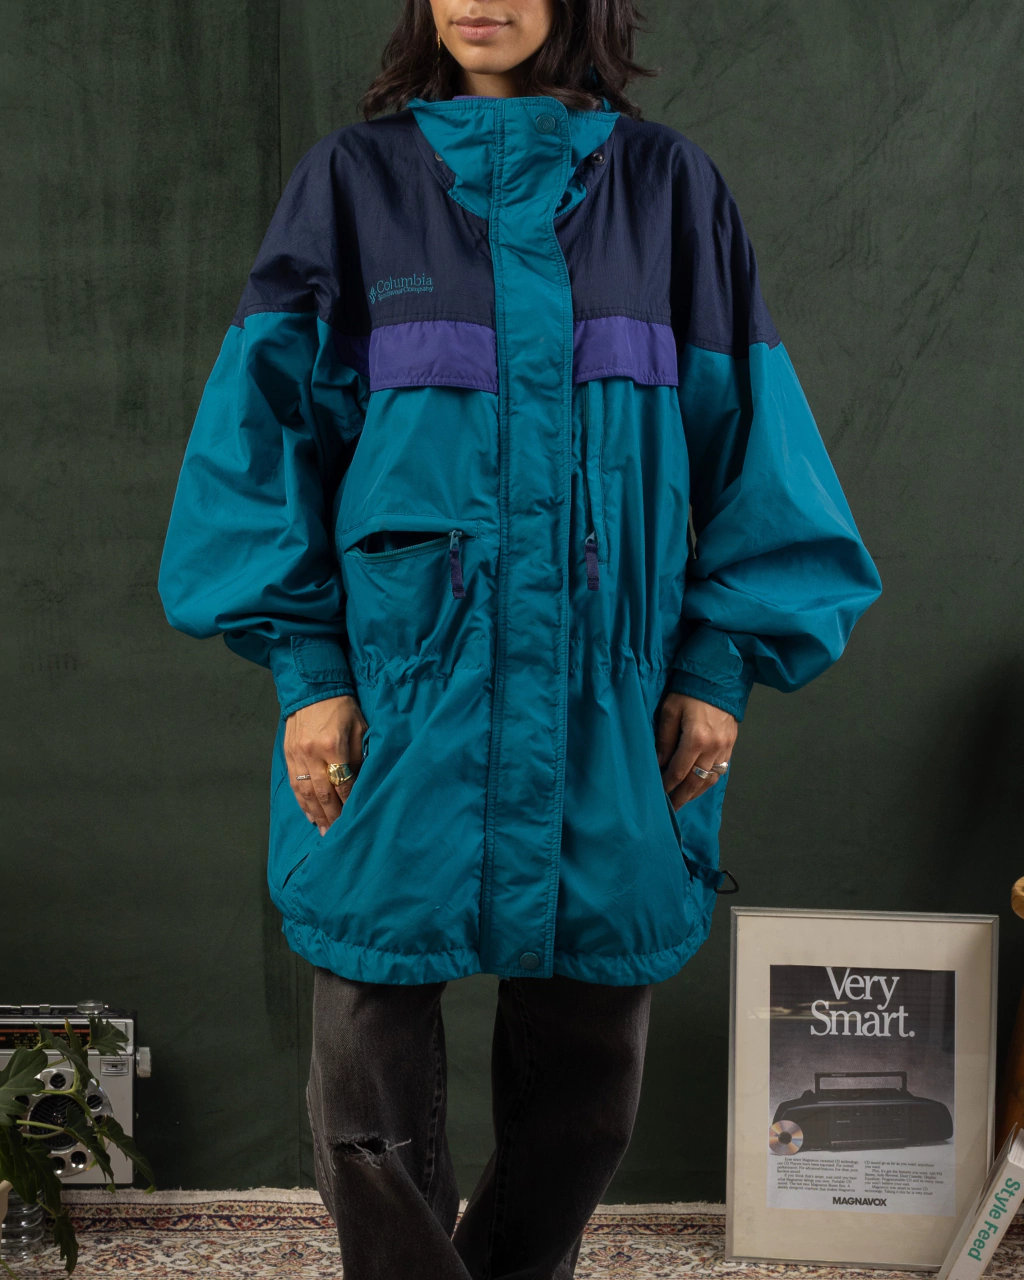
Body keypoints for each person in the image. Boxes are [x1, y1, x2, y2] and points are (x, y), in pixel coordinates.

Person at [158, 1, 882, 1276]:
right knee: (365, 1056)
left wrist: (717, 664)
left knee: (589, 1074)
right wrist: (310, 670)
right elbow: (258, 442)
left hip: (612, 696)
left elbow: (755, 443)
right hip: (401, 691)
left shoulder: (667, 189)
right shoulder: (353, 183)